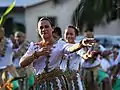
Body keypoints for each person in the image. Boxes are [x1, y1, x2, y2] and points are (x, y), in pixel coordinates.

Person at [20, 17, 94, 90]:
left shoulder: (60, 44)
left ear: (52, 29)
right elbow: (22, 63)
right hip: (40, 85)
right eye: (41, 27)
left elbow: (70, 48)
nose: (44, 29)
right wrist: (36, 54)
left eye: (46, 27)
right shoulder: (34, 47)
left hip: (57, 84)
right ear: (38, 30)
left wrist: (81, 44)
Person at [60, 25, 83, 90]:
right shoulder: (60, 45)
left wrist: (87, 55)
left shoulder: (78, 47)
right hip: (62, 78)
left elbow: (83, 54)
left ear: (75, 36)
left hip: (73, 78)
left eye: (71, 34)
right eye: (67, 34)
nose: (69, 36)